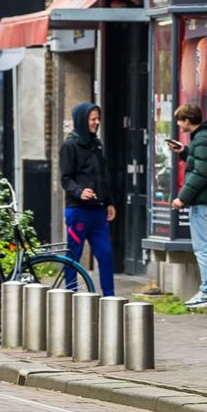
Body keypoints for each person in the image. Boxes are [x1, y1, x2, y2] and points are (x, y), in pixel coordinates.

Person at [168, 104, 207, 310]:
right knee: (205, 246)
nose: (178, 124)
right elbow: (203, 162)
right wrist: (184, 151)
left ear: (187, 120)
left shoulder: (202, 139)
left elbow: (201, 172)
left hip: (203, 201)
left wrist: (182, 198)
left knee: (202, 248)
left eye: (179, 120)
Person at [59, 102, 116, 297]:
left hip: (98, 211)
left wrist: (109, 202)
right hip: (78, 211)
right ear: (82, 121)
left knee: (106, 255)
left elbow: (102, 175)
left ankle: (109, 298)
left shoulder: (97, 144)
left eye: (97, 118)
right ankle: (70, 295)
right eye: (93, 119)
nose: (96, 122)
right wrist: (79, 192)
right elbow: (65, 179)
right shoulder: (70, 145)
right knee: (73, 255)